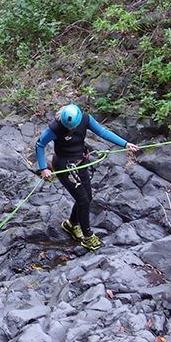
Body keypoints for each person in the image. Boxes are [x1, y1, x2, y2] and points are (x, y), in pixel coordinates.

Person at [35, 104, 139, 250]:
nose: (71, 130)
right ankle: (88, 236)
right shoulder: (56, 128)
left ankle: (71, 224)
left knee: (87, 198)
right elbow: (40, 144)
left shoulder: (85, 119)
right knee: (83, 199)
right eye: (68, 128)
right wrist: (43, 168)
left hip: (81, 161)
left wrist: (125, 143)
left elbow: (102, 132)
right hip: (64, 166)